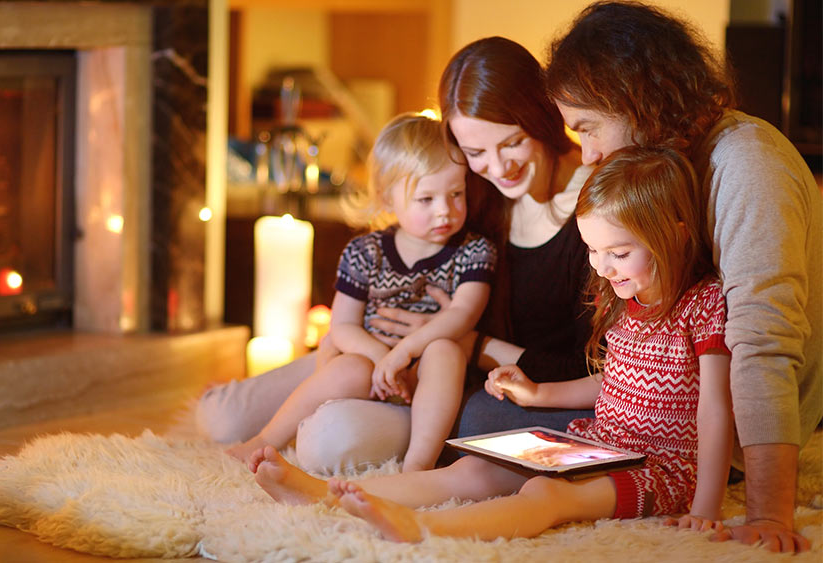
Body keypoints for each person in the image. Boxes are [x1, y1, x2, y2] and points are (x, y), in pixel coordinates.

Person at [250, 146, 734, 544]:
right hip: (600, 445)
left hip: (662, 469)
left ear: (674, 237)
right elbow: (616, 381)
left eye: (619, 253)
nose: (603, 267)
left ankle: (421, 528)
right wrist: (538, 394)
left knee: (547, 497)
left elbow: (715, 406)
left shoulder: (704, 304)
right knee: (473, 472)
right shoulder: (626, 301)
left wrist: (706, 506)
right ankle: (322, 494)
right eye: (592, 250)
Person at [197, 37, 596, 470]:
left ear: (542, 116)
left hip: (459, 379)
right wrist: (351, 346)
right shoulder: (469, 187)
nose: (499, 168)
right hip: (381, 351)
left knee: (327, 439)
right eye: (476, 152)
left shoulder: (597, 212)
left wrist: (469, 342)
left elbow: (593, 372)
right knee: (222, 417)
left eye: (513, 142)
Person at [544, 1, 822, 553]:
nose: (588, 152)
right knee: (495, 430)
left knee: (488, 423)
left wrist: (767, 514)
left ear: (634, 98)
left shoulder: (747, 164)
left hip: (713, 439)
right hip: (661, 411)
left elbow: (763, 343)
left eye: (588, 128)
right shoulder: (667, 163)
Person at [226, 113, 494, 471]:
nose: (445, 210)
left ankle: (417, 465)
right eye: (426, 199)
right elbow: (343, 325)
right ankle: (266, 438)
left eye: (456, 194)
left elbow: (463, 314)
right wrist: (382, 358)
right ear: (387, 199)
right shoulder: (365, 252)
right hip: (372, 369)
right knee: (349, 366)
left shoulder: (474, 251)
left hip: (426, 376)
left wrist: (404, 353)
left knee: (445, 351)